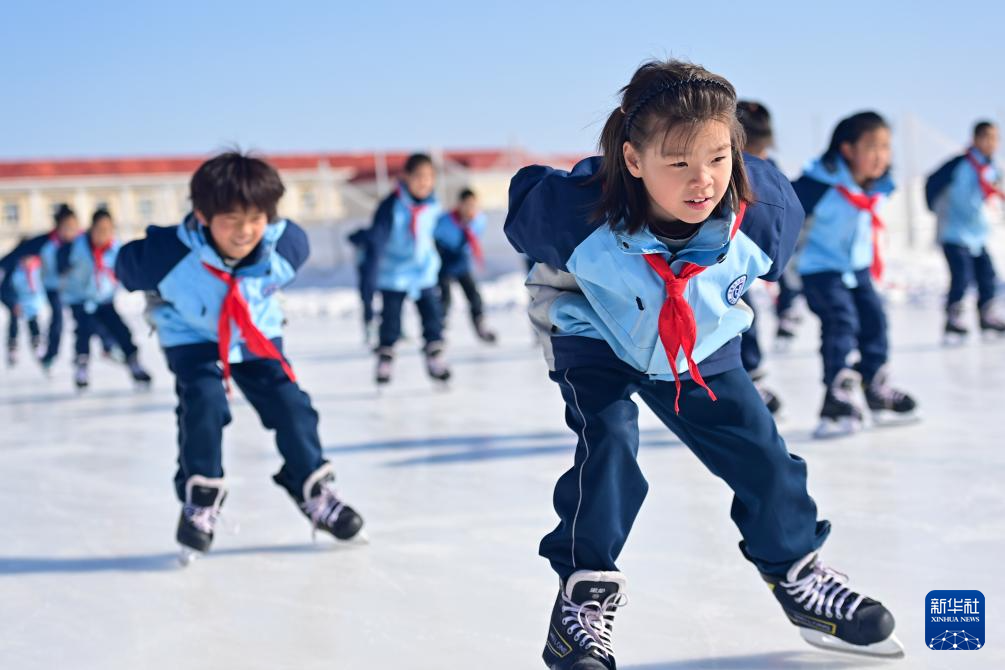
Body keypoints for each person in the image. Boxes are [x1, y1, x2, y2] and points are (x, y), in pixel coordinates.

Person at [505, 60, 903, 669]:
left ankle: (797, 574)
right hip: (596, 334)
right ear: (633, 160)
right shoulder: (574, 213)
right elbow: (524, 205)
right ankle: (582, 597)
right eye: (678, 163)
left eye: (718, 158)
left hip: (699, 340)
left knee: (764, 458)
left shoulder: (764, 213)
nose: (703, 181)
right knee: (609, 446)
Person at [115, 151, 364, 561]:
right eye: (231, 219)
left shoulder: (288, 246)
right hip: (193, 338)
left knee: (292, 405)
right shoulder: (167, 254)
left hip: (254, 334)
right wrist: (153, 289)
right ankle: (201, 497)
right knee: (204, 403)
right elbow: (125, 266)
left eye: (256, 218)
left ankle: (312, 487)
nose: (245, 231)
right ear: (202, 215)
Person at [793, 112, 918, 437]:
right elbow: (782, 216)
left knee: (875, 319)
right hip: (819, 269)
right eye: (873, 147)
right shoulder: (817, 186)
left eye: (886, 147)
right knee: (841, 321)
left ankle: (874, 386)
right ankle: (837, 395)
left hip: (857, 268)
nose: (881, 156)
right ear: (847, 149)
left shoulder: (875, 187)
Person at [362, 153, 451, 385]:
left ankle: (435, 355)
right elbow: (377, 240)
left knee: (432, 317)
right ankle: (385, 356)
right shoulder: (391, 206)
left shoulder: (433, 205)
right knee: (390, 320)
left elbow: (440, 235)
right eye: (419, 176)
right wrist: (370, 271)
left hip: (424, 272)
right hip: (394, 273)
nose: (424, 182)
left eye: (429, 177)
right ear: (406, 177)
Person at [925, 120, 1005, 340]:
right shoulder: (961, 165)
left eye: (995, 138)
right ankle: (954, 319)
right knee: (961, 276)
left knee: (987, 275)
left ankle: (987, 315)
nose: (991, 143)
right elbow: (940, 188)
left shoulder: (991, 169)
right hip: (954, 232)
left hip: (978, 235)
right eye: (987, 137)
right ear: (976, 139)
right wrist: (936, 209)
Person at [57, 208, 151, 389]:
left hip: (104, 299)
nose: (103, 234)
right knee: (83, 331)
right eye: (100, 229)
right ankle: (82, 367)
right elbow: (60, 263)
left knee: (121, 331)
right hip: (80, 299)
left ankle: (133, 363)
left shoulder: (115, 249)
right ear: (91, 228)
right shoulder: (76, 246)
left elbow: (125, 271)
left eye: (108, 230)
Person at [435, 188, 497, 343]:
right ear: (460, 204)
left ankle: (480, 324)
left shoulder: (479, 220)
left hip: (461, 260)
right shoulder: (445, 221)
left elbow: (473, 240)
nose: (470, 209)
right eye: (467, 205)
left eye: (473, 205)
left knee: (474, 295)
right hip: (444, 260)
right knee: (445, 298)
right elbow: (434, 237)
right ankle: (438, 330)